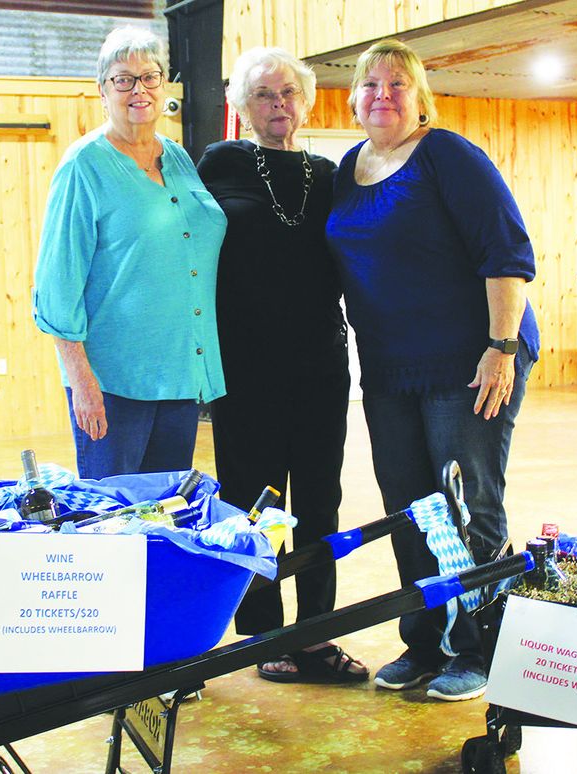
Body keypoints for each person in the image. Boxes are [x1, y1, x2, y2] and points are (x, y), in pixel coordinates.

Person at [326, 39, 540, 702]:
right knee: (411, 510)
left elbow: (506, 253)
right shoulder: (346, 168)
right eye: (370, 84)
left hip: (469, 359)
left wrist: (502, 346)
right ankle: (424, 642)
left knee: (466, 503)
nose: (382, 94)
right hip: (390, 368)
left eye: (397, 83)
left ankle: (478, 647)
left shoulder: (448, 156)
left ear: (420, 98)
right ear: (354, 98)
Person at [196, 48, 366, 684]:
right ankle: (263, 631)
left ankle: (318, 633)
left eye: (289, 93)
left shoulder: (329, 173)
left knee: (322, 500)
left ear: (308, 101)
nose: (278, 105)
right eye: (263, 94)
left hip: (320, 361)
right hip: (243, 365)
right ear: (242, 104)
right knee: (254, 500)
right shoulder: (221, 163)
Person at [32, 26, 227, 479]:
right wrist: (82, 382)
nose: (138, 89)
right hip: (113, 383)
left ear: (164, 86)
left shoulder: (176, 156)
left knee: (162, 518)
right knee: (113, 525)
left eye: (150, 77)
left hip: (177, 374)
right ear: (103, 90)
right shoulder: (83, 166)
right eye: (123, 79)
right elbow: (57, 287)